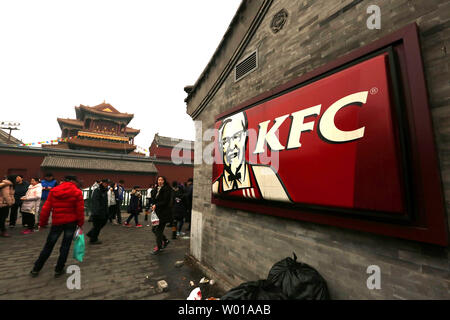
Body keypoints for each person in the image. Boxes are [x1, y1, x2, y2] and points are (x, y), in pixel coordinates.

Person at [212, 111, 291, 202]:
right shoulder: (216, 187)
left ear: (245, 139)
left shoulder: (266, 175)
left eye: (236, 137)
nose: (232, 146)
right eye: (225, 141)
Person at [30, 176, 84, 277]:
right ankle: (59, 269)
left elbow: (45, 209)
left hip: (57, 222)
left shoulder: (54, 191)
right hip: (71, 223)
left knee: (48, 246)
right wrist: (80, 224)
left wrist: (42, 223)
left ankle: (36, 268)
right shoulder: (77, 192)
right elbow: (80, 210)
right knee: (65, 246)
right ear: (73, 181)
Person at [150, 176, 173, 255]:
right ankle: (165, 240)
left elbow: (165, 201)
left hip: (164, 213)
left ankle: (159, 247)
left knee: (158, 230)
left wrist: (156, 205)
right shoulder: (156, 189)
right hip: (157, 213)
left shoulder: (167, 189)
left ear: (164, 181)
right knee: (154, 229)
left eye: (161, 180)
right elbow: (153, 199)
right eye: (159, 180)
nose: (160, 181)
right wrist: (155, 190)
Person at [86, 179, 109, 244]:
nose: (107, 184)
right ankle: (93, 239)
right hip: (98, 212)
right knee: (97, 226)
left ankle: (91, 233)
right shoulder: (97, 190)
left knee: (102, 224)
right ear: (102, 183)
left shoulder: (104, 191)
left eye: (107, 183)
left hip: (103, 211)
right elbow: (95, 202)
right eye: (105, 183)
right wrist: (96, 212)